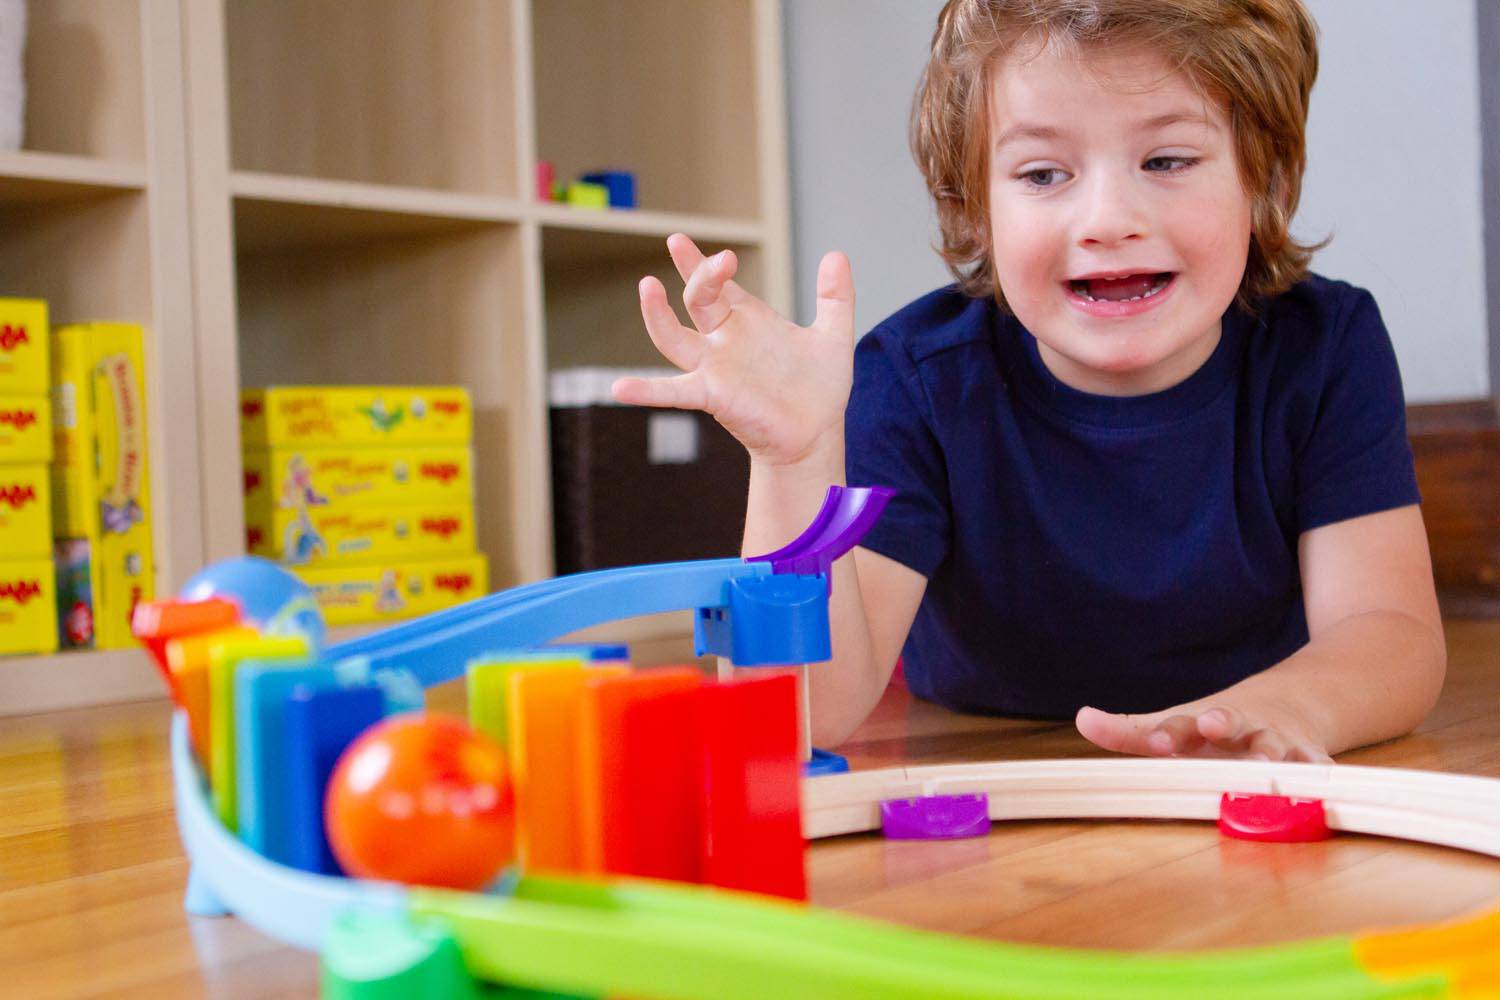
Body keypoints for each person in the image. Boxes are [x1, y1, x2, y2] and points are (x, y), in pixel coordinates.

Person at [612, 0, 1445, 763]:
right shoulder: (914, 380)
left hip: (1246, 750)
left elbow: (1391, 633)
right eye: (1044, 175)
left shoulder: (1325, 345)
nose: (1109, 220)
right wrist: (794, 462)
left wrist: (1280, 711)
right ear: (974, 209)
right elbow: (799, 714)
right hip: (982, 745)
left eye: (1166, 158)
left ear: (1263, 181)